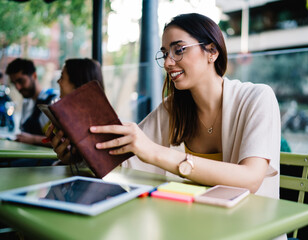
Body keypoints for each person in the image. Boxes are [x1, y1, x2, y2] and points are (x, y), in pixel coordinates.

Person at [50, 14, 281, 198]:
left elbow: (250, 178)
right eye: (164, 53)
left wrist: (154, 152)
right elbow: (125, 161)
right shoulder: (173, 109)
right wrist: (79, 154)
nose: (169, 62)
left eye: (178, 50)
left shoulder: (257, 98)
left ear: (212, 51)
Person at [46, 58, 104, 162]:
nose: (58, 81)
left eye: (62, 77)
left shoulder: (97, 128)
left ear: (77, 86)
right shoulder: (74, 119)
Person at [5, 58, 59, 146]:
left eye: (21, 81)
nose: (18, 87)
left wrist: (33, 139)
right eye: (14, 83)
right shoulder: (26, 102)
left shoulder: (54, 99)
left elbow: (63, 140)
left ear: (34, 76)